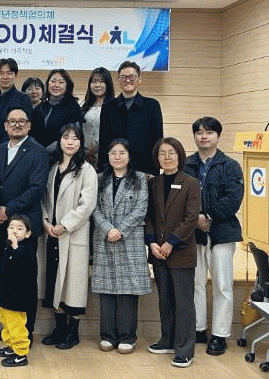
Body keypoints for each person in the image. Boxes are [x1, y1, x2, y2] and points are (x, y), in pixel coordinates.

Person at [183, 117, 243, 355]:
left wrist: (207, 217)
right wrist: (195, 219)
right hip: (193, 233)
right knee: (196, 283)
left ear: (218, 135)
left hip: (222, 233)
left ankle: (219, 335)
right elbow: (180, 198)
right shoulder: (187, 164)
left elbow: (233, 199)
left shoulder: (230, 166)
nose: (204, 136)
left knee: (223, 286)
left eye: (209, 132)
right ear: (194, 137)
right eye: (199, 132)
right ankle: (198, 329)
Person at [0, 106, 49, 342]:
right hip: (1, 224)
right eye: (12, 121)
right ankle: (8, 329)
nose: (16, 125)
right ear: (5, 126)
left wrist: (9, 209)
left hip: (24, 227)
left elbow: (36, 188)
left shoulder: (38, 152)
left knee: (24, 281)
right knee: (4, 278)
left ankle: (26, 332)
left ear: (29, 125)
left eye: (22, 121)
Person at [40, 123, 97, 350]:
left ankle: (73, 332)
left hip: (72, 234)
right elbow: (45, 199)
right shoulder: (53, 168)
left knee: (73, 286)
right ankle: (59, 328)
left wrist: (64, 225)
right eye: (66, 137)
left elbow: (87, 204)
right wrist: (46, 222)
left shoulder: (86, 170)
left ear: (81, 142)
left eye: (75, 138)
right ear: (59, 141)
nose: (70, 142)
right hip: (52, 233)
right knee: (55, 281)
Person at [91, 138, 150, 354]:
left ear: (129, 156)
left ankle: (127, 337)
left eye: (122, 153)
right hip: (104, 238)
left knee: (128, 289)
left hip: (129, 239)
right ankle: (107, 336)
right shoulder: (99, 179)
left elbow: (141, 208)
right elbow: (93, 208)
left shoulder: (140, 178)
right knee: (106, 289)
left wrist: (120, 230)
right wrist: (108, 229)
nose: (117, 157)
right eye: (113, 153)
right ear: (107, 157)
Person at [146, 137, 200, 368]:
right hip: (158, 252)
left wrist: (171, 242)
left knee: (183, 303)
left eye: (171, 153)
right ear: (156, 157)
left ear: (179, 155)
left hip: (181, 252)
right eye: (162, 153)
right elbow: (148, 216)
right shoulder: (153, 183)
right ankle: (167, 340)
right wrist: (152, 243)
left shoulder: (191, 183)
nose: (167, 157)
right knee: (165, 300)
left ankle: (185, 349)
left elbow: (191, 219)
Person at [98, 61, 163, 175]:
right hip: (114, 170)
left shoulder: (152, 105)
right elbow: (104, 142)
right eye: (123, 77)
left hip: (145, 169)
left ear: (139, 79)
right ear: (118, 80)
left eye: (132, 77)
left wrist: (155, 170)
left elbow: (157, 140)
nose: (127, 80)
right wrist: (103, 169)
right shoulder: (108, 107)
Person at [0, 215, 37, 368]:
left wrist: (16, 247)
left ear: (28, 233)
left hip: (18, 298)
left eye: (19, 229)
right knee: (6, 323)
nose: (14, 231)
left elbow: (22, 264)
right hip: (5, 295)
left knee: (17, 325)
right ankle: (10, 346)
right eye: (11, 228)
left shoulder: (27, 249)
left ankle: (21, 354)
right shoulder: (8, 246)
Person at [0, 58, 34, 149]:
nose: (5, 77)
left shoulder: (24, 99)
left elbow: (28, 128)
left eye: (9, 73)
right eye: (1, 73)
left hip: (15, 149)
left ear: (15, 75)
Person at [31, 69, 83, 150]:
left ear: (67, 86)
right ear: (48, 83)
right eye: (53, 81)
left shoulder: (73, 107)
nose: (56, 85)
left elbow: (74, 135)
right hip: (37, 153)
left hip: (62, 153)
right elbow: (31, 133)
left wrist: (49, 150)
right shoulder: (39, 108)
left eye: (61, 82)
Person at [81, 67, 115, 166]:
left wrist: (94, 150)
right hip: (84, 156)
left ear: (108, 84)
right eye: (94, 81)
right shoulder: (83, 105)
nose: (97, 85)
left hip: (105, 157)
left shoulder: (114, 106)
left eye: (101, 81)